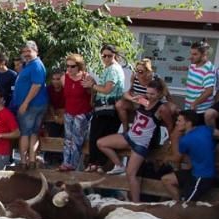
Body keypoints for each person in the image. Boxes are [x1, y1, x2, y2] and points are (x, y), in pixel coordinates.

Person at [97, 78, 169, 202]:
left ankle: (135, 203)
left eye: (152, 94)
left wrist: (169, 142)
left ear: (159, 93)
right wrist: (134, 95)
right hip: (130, 136)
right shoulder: (144, 101)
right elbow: (126, 95)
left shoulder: (161, 108)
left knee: (131, 175)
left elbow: (169, 124)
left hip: (141, 143)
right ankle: (119, 165)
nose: (149, 96)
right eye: (148, 92)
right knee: (101, 143)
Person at [83, 44, 125, 172]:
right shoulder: (109, 68)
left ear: (115, 56)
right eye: (104, 56)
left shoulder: (113, 69)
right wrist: (94, 84)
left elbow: (107, 90)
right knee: (100, 137)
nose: (106, 58)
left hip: (108, 109)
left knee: (97, 137)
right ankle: (97, 164)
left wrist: (92, 85)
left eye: (109, 56)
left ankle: (96, 163)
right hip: (105, 108)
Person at [162, 110, 218, 202]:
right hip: (193, 172)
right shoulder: (205, 129)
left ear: (188, 123)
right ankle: (178, 204)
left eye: (179, 121)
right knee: (167, 179)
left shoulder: (185, 140)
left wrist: (166, 158)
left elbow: (177, 158)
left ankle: (181, 206)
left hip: (202, 177)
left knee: (187, 204)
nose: (176, 123)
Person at [12, 41, 49, 170]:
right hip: (34, 105)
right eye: (24, 51)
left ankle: (23, 161)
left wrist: (25, 103)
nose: (26, 54)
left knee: (25, 133)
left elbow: (36, 85)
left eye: (29, 51)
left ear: (36, 51)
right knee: (33, 133)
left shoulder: (36, 65)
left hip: (31, 105)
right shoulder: (30, 65)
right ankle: (32, 160)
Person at [60, 54, 92, 172]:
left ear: (79, 66)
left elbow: (92, 94)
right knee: (68, 138)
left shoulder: (86, 77)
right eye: (67, 66)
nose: (69, 69)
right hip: (69, 111)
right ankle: (66, 162)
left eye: (72, 66)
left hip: (82, 112)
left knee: (77, 139)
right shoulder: (65, 78)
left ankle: (73, 164)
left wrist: (91, 87)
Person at [183, 40, 216, 122]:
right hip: (189, 107)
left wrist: (194, 104)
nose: (191, 57)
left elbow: (209, 91)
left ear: (204, 54)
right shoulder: (192, 65)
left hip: (200, 111)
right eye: (191, 53)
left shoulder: (208, 68)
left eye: (195, 54)